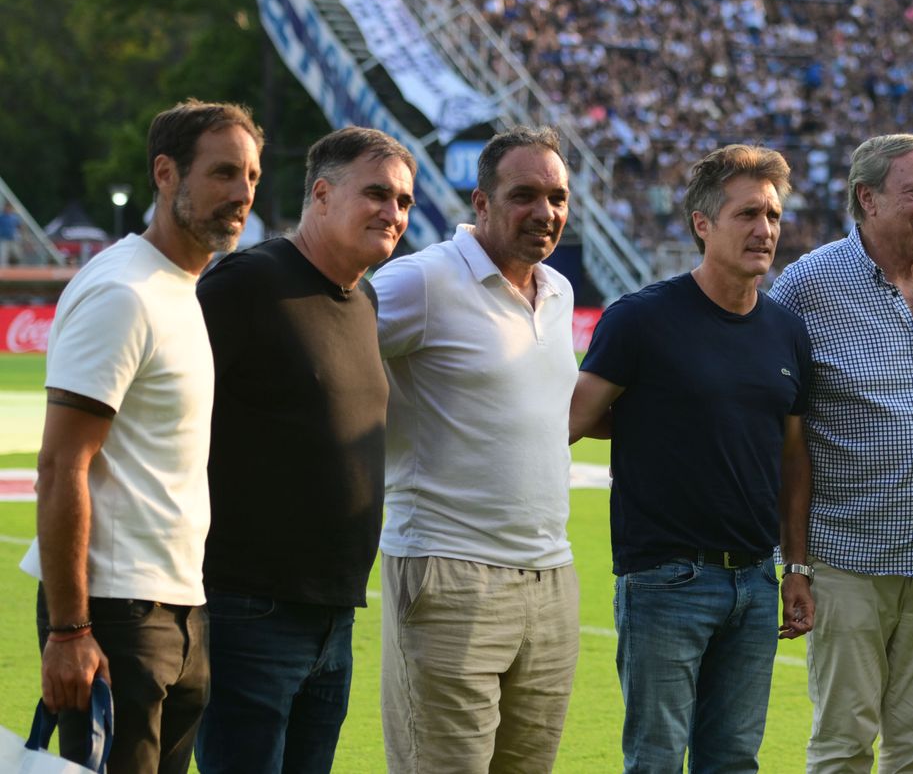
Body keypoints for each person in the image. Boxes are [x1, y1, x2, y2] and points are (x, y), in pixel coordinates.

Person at [22, 99, 263, 773]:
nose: (242, 193)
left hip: (179, 602)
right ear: (165, 174)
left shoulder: (181, 286)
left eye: (251, 176)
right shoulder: (123, 291)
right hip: (116, 609)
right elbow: (61, 463)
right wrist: (70, 630)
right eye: (222, 174)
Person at [570, 145, 816, 772]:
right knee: (655, 761)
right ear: (702, 224)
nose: (764, 230)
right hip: (666, 579)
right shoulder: (642, 318)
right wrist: (651, 422)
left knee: (733, 761)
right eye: (747, 214)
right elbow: (570, 420)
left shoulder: (786, 330)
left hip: (757, 582)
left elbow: (793, 457)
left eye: (773, 215)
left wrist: (797, 568)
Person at [193, 127, 416, 774]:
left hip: (334, 615)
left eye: (403, 200)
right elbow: (166, 421)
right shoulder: (247, 283)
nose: (393, 212)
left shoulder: (366, 299)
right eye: (376, 193)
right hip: (248, 609)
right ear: (321, 193)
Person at [769, 133, 913, 773]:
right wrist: (794, 563)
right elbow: (779, 426)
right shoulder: (809, 285)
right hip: (848, 560)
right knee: (843, 744)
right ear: (868, 198)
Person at [373, 125, 578, 773]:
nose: (545, 212)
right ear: (481, 202)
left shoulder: (558, 291)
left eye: (558, 196)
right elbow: (325, 349)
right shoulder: (421, 281)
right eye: (525, 195)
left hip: (551, 579)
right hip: (448, 572)